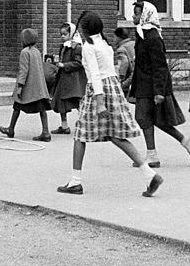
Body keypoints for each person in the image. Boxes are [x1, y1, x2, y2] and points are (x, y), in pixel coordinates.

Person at [56, 12, 163, 198]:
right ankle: (149, 174)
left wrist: (99, 103)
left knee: (80, 134)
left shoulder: (89, 47)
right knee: (116, 135)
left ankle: (75, 181)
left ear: (85, 30)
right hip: (112, 87)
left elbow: (95, 75)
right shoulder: (104, 44)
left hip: (98, 90)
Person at [130, 1, 190, 168]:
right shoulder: (143, 34)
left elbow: (160, 66)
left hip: (151, 86)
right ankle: (186, 142)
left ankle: (152, 156)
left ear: (145, 15)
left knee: (142, 117)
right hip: (145, 85)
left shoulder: (152, 37)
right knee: (156, 120)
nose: (133, 16)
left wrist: (159, 91)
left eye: (137, 13)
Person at [0, 28, 52, 141]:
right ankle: (46, 132)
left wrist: (19, 87)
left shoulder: (24, 52)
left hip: (28, 87)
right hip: (39, 88)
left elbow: (23, 71)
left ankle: (11, 129)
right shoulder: (37, 51)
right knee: (42, 109)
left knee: (17, 106)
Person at [50, 22, 87, 134]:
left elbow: (79, 63)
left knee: (77, 102)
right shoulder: (64, 46)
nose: (62, 36)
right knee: (61, 102)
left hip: (74, 80)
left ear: (71, 34)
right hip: (64, 79)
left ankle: (85, 124)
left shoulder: (77, 47)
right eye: (61, 34)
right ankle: (64, 125)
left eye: (65, 34)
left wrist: (64, 65)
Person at [113, 26, 136, 101]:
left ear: (119, 37)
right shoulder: (134, 44)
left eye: (115, 37)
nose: (114, 40)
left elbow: (124, 63)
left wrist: (121, 81)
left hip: (129, 83)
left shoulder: (121, 49)